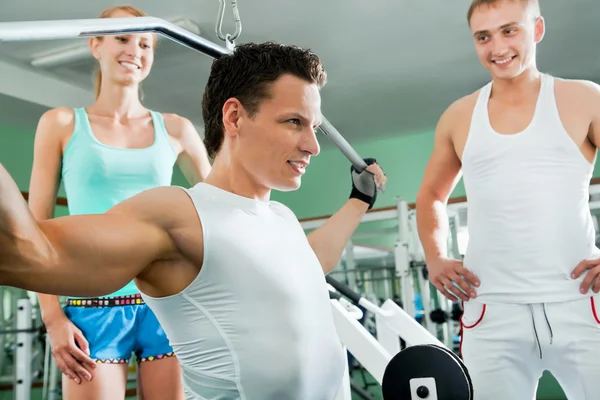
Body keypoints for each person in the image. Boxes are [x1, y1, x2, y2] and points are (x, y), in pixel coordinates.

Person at [0, 41, 386, 399]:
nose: (313, 146)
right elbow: (32, 254)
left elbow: (310, 262)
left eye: (313, 127)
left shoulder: (279, 216)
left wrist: (359, 200)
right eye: (293, 122)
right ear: (234, 116)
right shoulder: (179, 214)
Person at [415, 0, 600, 398]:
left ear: (537, 30)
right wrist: (435, 257)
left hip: (580, 300)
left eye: (509, 30)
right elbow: (431, 195)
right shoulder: (458, 116)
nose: (496, 47)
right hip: (492, 310)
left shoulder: (585, 99)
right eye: (483, 36)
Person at [26, 5, 212, 399]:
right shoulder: (60, 124)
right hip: (92, 304)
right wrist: (52, 317)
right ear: (96, 45)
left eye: (145, 43)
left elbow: (221, 209)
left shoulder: (176, 129)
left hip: (167, 303)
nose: (135, 50)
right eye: (123, 38)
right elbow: (33, 227)